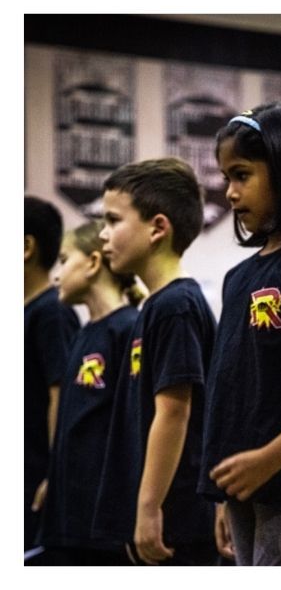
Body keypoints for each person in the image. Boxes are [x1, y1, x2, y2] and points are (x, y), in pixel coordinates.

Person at [199, 103, 281, 566]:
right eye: (225, 178)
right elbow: (230, 391)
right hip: (240, 486)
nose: (230, 193)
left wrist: (271, 458)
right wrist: (221, 494)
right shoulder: (237, 278)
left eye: (241, 175)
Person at [91, 158, 218, 566]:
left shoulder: (176, 306)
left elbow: (174, 411)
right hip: (162, 515)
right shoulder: (155, 306)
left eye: (113, 220)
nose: (103, 234)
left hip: (175, 520)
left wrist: (149, 508)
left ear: (157, 228)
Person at [35, 220, 141, 565]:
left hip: (105, 526)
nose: (55, 275)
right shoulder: (83, 333)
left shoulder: (128, 329)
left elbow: (132, 427)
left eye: (64, 261)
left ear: (94, 263)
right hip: (70, 515)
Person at [24, 196, 80, 559]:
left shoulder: (52, 314)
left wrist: (54, 474)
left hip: (36, 482)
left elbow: (62, 394)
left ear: (26, 246)